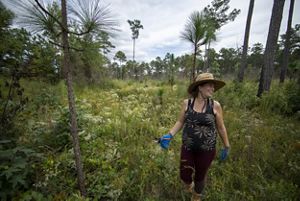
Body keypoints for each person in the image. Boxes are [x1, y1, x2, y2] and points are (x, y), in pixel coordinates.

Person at [159, 73, 230, 201]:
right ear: (200, 87)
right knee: (184, 174)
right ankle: (189, 185)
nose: (213, 89)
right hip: (188, 147)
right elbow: (180, 122)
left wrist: (226, 145)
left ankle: (196, 196)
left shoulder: (215, 105)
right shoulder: (187, 103)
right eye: (210, 86)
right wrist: (169, 135)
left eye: (213, 86)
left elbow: (221, 127)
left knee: (200, 176)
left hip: (207, 150)